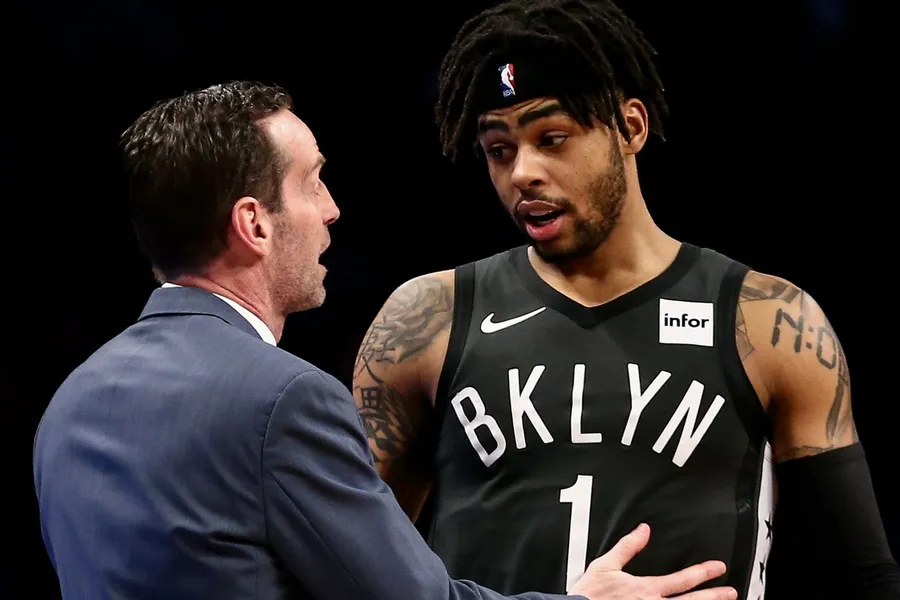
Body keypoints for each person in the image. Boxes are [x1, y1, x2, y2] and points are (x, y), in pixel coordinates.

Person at [32, 81, 737, 600]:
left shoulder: (70, 405)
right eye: (312, 183)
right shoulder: (282, 402)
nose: (332, 210)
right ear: (254, 224)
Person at [351, 1, 900, 599]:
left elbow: (860, 578)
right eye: (499, 150)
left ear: (631, 127)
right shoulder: (424, 321)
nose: (522, 173)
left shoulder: (768, 319)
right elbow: (351, 569)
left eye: (552, 138)